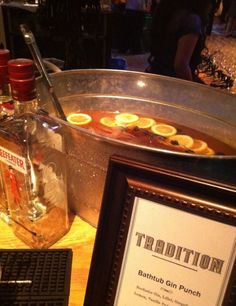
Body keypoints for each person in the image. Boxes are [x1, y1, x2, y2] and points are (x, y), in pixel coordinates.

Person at [145, 0, 215, 81]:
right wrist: (192, 90)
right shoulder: (191, 20)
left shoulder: (171, 11)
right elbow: (181, 65)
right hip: (172, 82)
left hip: (157, 74)